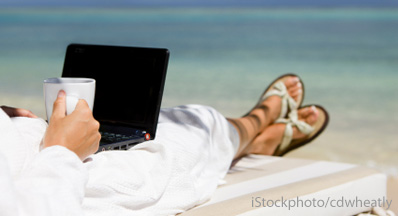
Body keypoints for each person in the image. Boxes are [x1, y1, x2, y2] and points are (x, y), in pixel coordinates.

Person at [0, 74, 328, 216]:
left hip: (29, 151)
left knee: (164, 126)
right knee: (193, 129)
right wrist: (63, 152)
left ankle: (249, 138)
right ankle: (254, 124)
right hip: (55, 184)